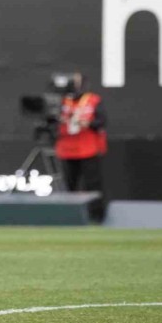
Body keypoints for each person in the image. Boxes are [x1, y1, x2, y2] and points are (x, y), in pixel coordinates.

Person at [55, 72, 107, 223]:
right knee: (69, 184)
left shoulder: (93, 100)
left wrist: (88, 123)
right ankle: (68, 216)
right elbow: (52, 121)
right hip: (67, 149)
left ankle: (97, 216)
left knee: (92, 184)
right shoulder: (62, 101)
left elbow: (102, 122)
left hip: (88, 149)